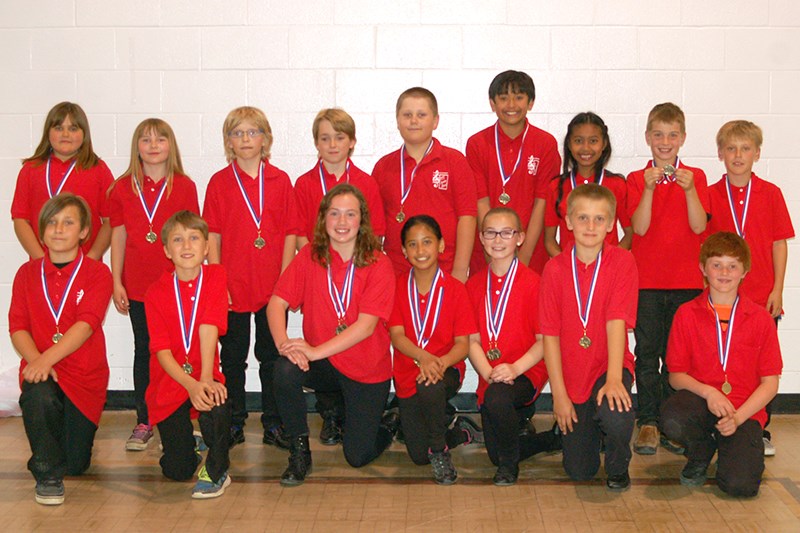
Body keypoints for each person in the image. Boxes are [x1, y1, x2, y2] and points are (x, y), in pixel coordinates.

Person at [267, 184, 396, 486]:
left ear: (362, 221)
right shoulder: (311, 256)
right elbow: (276, 303)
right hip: (327, 364)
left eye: (350, 214)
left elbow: (366, 327)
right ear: (323, 219)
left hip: (366, 369)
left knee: (357, 456)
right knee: (284, 369)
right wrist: (285, 345)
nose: (341, 222)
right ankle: (299, 453)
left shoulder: (379, 263)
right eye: (334, 214)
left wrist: (312, 352)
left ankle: (389, 424)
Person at [203, 106, 297, 449]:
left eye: (252, 132)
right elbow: (212, 235)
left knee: (272, 356)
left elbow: (290, 233)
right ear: (228, 141)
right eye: (238, 133)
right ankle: (234, 421)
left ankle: (273, 423)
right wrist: (217, 281)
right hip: (232, 285)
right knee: (232, 358)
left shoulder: (280, 180)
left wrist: (284, 281)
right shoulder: (219, 182)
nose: (246, 139)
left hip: (273, 287)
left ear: (265, 139)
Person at [9, 193, 113, 505]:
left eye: (68, 222)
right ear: (41, 232)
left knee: (77, 464)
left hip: (84, 376)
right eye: (51, 223)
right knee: (37, 390)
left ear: (84, 232)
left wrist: (45, 359)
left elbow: (85, 325)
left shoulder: (97, 273)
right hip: (45, 372)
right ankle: (46, 473)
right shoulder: (27, 273)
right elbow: (17, 327)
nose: (58, 229)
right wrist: (37, 363)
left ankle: (61, 451)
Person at [660, 232, 782, 497]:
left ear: (744, 271)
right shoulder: (686, 313)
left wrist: (738, 417)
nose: (724, 272)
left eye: (732, 266)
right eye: (716, 264)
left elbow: (770, 383)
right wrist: (709, 392)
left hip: (744, 411)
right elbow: (676, 376)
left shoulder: (761, 319)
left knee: (741, 487)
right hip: (702, 404)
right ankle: (701, 451)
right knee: (672, 418)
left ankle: (732, 446)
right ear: (703, 268)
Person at [292, 107, 385, 445]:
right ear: (316, 143)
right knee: (320, 337)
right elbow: (301, 235)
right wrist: (317, 272)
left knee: (354, 342)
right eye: (325, 138)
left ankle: (353, 414)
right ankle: (329, 414)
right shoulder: (303, 184)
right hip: (320, 275)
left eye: (340, 137)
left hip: (356, 276)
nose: (332, 144)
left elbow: (376, 236)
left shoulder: (367, 183)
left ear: (352, 143)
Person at [108, 118, 200, 451]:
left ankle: (182, 418)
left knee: (179, 350)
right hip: (137, 286)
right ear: (137, 148)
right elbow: (118, 235)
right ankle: (145, 420)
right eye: (145, 140)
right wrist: (116, 279)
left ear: (170, 145)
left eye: (160, 139)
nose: (153, 145)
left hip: (176, 287)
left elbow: (194, 237)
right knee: (145, 351)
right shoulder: (122, 188)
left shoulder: (185, 186)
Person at [540, 184, 638, 491]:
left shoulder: (622, 261)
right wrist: (558, 395)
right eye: (583, 218)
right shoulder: (554, 269)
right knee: (579, 471)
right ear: (568, 221)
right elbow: (550, 335)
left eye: (599, 219)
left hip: (608, 365)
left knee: (616, 412)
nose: (591, 226)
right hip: (571, 376)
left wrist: (613, 379)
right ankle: (590, 432)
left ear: (611, 225)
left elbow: (616, 322)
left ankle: (618, 464)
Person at [706, 120, 794, 456]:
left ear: (757, 153)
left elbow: (779, 244)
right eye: (731, 148)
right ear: (720, 154)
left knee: (760, 367)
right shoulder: (711, 195)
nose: (738, 154)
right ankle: (717, 424)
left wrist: (778, 289)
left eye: (745, 148)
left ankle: (760, 428)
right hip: (723, 297)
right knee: (723, 361)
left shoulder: (771, 193)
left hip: (761, 297)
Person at [626, 102, 709, 455]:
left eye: (672, 135)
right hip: (646, 283)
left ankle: (672, 421)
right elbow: (639, 228)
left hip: (687, 283)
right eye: (658, 134)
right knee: (647, 354)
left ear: (683, 139)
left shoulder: (698, 178)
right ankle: (647, 422)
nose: (665, 141)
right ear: (647, 138)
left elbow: (699, 226)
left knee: (678, 358)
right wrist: (647, 189)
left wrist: (689, 190)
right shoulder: (635, 179)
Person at [144, 211, 232, 499]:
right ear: (167, 250)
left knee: (216, 398)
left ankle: (218, 470)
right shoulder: (155, 291)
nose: (186, 246)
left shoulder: (216, 277)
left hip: (204, 371)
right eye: (178, 240)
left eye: (194, 238)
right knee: (176, 470)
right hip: (171, 381)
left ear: (206, 247)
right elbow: (161, 351)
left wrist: (204, 379)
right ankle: (189, 446)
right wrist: (190, 384)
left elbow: (209, 327)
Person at [466, 207, 556, 486]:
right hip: (491, 375)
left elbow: (544, 343)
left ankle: (508, 467)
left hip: (527, 370)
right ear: (481, 238)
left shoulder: (535, 283)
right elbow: (471, 340)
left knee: (498, 399)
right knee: (495, 450)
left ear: (520, 238)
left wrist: (515, 369)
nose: (498, 239)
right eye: (491, 232)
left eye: (507, 232)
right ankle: (550, 440)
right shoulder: (473, 285)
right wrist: (488, 373)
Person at [389, 214, 480, 485]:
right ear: (404, 251)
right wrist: (424, 358)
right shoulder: (396, 286)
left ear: (440, 245)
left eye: (427, 242)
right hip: (408, 373)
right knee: (417, 455)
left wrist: (437, 363)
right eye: (413, 244)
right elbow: (397, 336)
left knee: (431, 386)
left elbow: (463, 345)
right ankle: (460, 433)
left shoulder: (455, 289)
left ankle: (440, 451)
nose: (420, 250)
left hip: (446, 369)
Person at [372, 87, 477, 282]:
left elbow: (467, 218)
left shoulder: (455, 162)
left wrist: (460, 270)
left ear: (435, 121)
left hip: (445, 269)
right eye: (407, 115)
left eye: (421, 115)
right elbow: (375, 226)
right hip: (396, 273)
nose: (413, 121)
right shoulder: (383, 167)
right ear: (397, 121)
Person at [465, 70, 561, 274]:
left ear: (531, 102)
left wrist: (523, 259)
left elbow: (542, 202)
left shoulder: (545, 144)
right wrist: (491, 254)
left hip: (531, 254)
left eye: (518, 97)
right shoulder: (477, 144)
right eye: (503, 98)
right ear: (492, 104)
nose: (511, 105)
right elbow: (480, 201)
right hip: (487, 254)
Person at [12, 101, 114, 260]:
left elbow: (110, 221)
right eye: (59, 128)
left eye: (73, 128)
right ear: (48, 132)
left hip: (86, 266)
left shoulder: (98, 169)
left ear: (84, 133)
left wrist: (91, 258)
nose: (65, 134)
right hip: (42, 266)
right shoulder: (30, 170)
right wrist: (40, 259)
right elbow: (20, 220)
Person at [544, 112, 631, 257]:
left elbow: (630, 234)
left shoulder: (617, 185)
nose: (586, 148)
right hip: (570, 274)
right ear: (569, 144)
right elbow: (549, 240)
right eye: (578, 141)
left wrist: (611, 261)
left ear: (603, 144)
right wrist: (566, 265)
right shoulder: (556, 186)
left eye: (593, 141)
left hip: (607, 272)